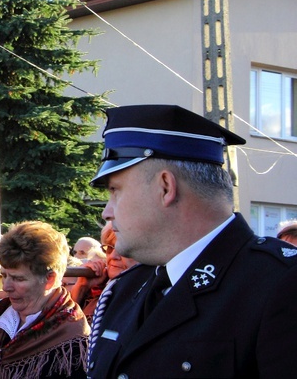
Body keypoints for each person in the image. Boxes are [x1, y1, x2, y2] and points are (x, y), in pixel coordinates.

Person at [87, 104, 297, 377]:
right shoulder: (127, 287)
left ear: (165, 187)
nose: (107, 211)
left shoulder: (282, 284)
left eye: (115, 190)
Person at [0, 221, 89, 378]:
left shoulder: (72, 340)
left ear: (50, 279)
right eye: (4, 275)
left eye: (18, 279)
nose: (6, 287)